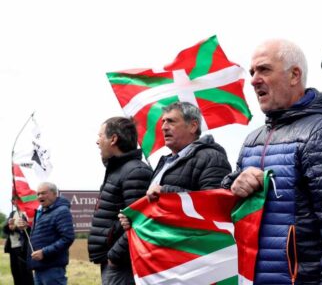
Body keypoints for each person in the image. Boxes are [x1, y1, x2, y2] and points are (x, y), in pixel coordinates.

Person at [221, 39, 322, 284]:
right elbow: (231, 212)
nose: (253, 80)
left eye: (264, 69)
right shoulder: (252, 140)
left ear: (295, 74)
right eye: (252, 72)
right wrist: (234, 184)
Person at [119, 102, 232, 229]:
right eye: (163, 122)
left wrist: (166, 192)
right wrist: (135, 218)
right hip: (161, 245)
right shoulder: (164, 163)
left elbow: (214, 208)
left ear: (193, 126)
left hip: (188, 246)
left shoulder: (212, 158)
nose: (164, 127)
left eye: (171, 121)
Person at [88, 117, 153, 284]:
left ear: (114, 139)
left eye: (100, 135)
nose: (97, 141)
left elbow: (140, 223)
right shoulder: (118, 170)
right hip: (114, 263)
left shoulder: (135, 172)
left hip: (122, 265)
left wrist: (114, 257)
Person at [17, 182, 74, 285]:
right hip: (39, 267)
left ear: (54, 194)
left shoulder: (62, 211)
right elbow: (40, 235)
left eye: (43, 193)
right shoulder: (42, 212)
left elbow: (67, 238)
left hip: (52, 269)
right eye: (38, 194)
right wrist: (26, 227)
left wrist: (44, 252)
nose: (40, 196)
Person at [3, 211, 34, 284]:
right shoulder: (12, 213)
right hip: (13, 249)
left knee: (26, 275)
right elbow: (5, 229)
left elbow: (31, 229)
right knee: (15, 273)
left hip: (23, 249)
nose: (13, 201)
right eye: (13, 199)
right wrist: (9, 226)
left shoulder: (27, 212)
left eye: (15, 199)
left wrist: (16, 228)